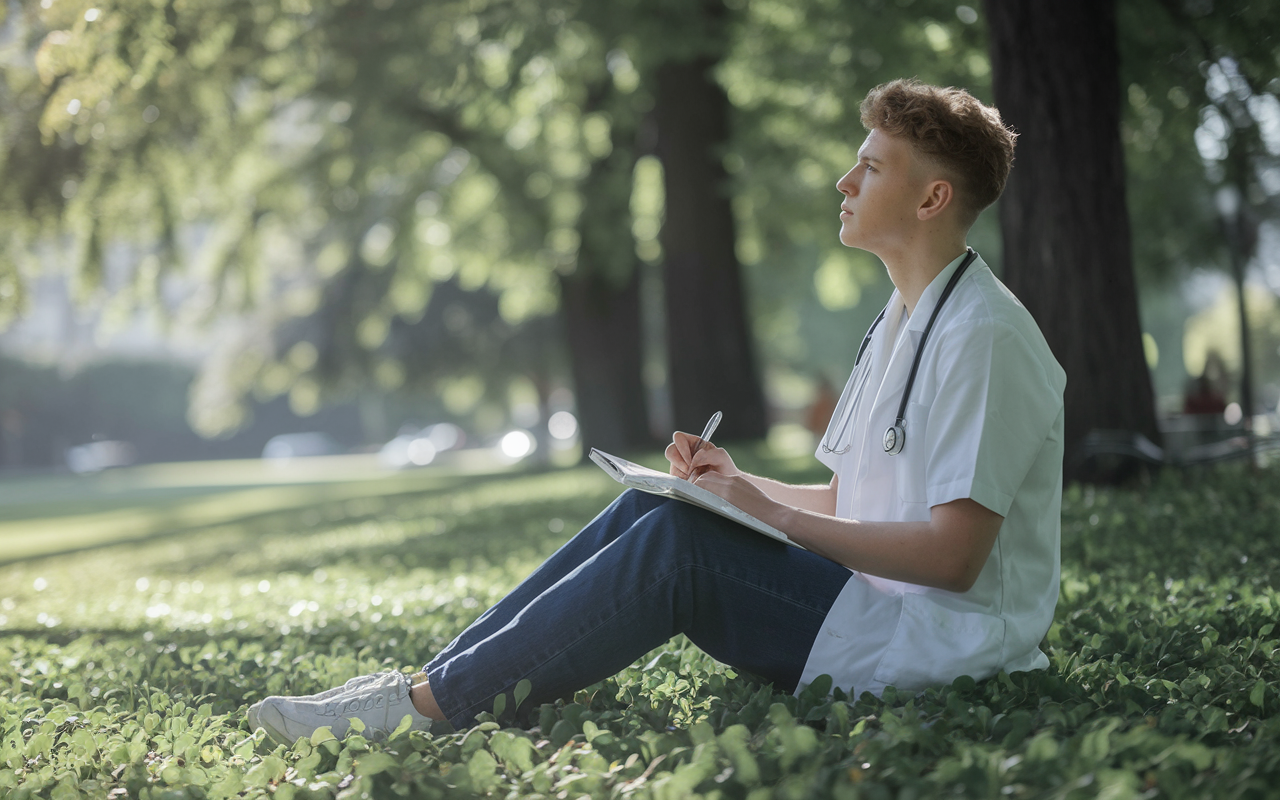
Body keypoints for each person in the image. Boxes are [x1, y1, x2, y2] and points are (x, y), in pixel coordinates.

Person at [247, 78, 1066, 744]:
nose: (844, 182)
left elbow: (954, 557)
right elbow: (862, 503)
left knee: (679, 543)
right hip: (869, 601)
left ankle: (423, 708)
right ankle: (428, 684)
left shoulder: (984, 337)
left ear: (931, 200)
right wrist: (741, 487)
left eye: (872, 169)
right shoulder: (897, 321)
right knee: (656, 502)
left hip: (939, 648)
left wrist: (765, 517)